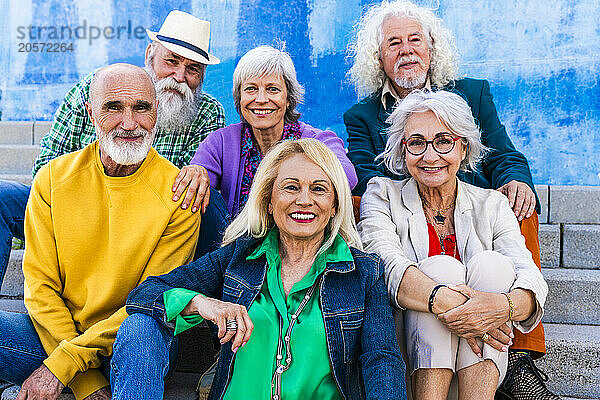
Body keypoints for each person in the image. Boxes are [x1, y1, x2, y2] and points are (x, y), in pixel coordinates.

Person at [344, 2, 554, 397]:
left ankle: (520, 356)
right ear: (379, 56)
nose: (406, 50)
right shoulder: (363, 115)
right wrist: (420, 177)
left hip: (475, 212)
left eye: (414, 40)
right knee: (382, 217)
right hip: (413, 232)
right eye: (393, 43)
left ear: (432, 47)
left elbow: (503, 154)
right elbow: (367, 175)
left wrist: (512, 181)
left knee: (513, 212)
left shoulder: (471, 93)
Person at [112, 139, 406, 400]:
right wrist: (201, 303)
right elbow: (144, 294)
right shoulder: (239, 257)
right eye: (291, 187)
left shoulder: (363, 273)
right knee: (139, 324)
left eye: (319, 189)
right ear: (268, 201)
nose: (304, 200)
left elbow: (382, 360)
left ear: (334, 206)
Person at [0, 64, 200, 400]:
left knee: (143, 328)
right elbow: (41, 290)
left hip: (134, 343)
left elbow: (149, 301)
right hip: (57, 337)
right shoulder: (52, 179)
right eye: (113, 108)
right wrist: (85, 382)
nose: (129, 123)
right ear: (91, 113)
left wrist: (63, 368)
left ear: (156, 112)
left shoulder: (179, 193)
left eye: (141, 108)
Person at [0, 10, 226, 285]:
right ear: (149, 56)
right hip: (70, 212)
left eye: (193, 69)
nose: (179, 76)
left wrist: (200, 172)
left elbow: (186, 190)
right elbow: (47, 164)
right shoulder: (94, 88)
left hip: (142, 229)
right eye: (172, 61)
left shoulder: (207, 112)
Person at [357, 90, 548, 399]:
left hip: (478, 366)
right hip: (409, 362)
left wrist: (500, 307)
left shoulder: (493, 204)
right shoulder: (382, 195)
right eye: (417, 143)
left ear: (464, 147)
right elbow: (386, 267)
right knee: (441, 268)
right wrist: (468, 312)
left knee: (494, 266)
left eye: (444, 141)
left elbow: (530, 277)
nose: (430, 156)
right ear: (402, 150)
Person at [190, 45, 358, 217]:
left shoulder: (318, 140)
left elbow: (347, 178)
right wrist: (196, 171)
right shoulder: (221, 141)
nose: (261, 99)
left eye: (272, 89)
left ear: (288, 98)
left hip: (297, 238)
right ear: (240, 98)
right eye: (251, 89)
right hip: (235, 240)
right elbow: (195, 179)